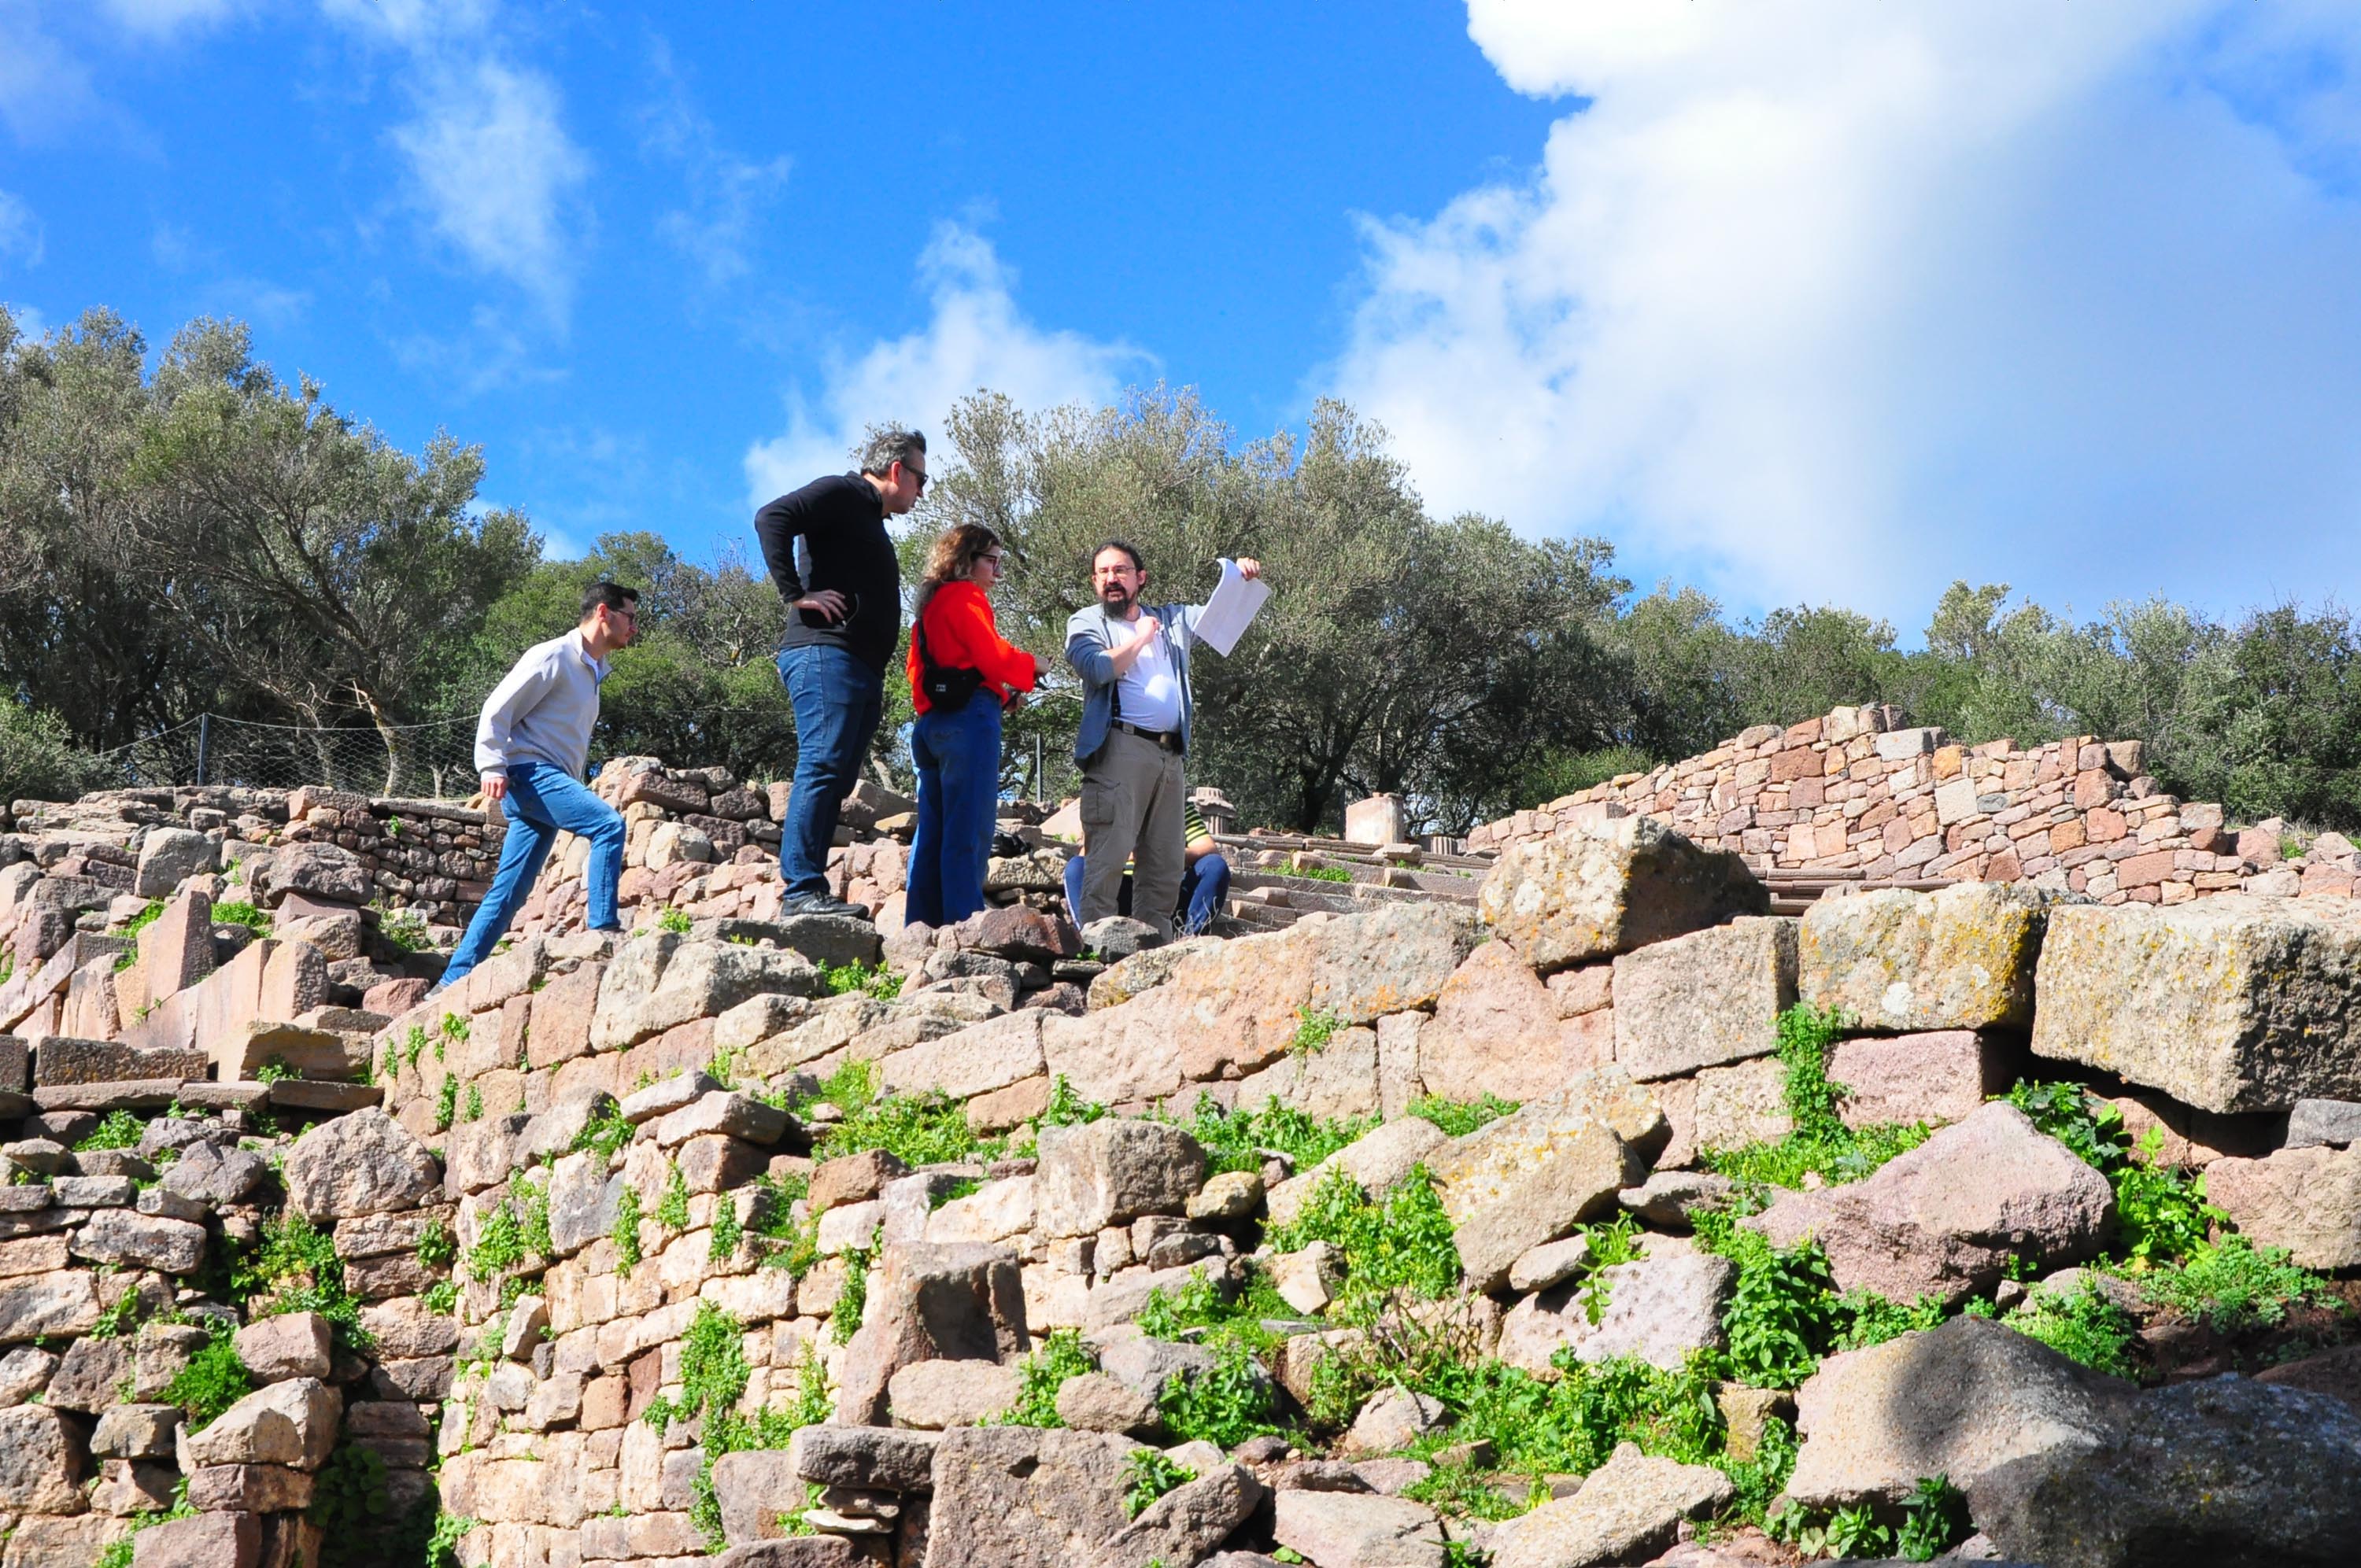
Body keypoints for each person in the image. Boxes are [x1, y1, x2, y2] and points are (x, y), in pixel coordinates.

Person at [755, 428, 927, 918]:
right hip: (824, 654)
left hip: (857, 665)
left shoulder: (866, 515)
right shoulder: (842, 491)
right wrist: (795, 594)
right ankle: (800, 891)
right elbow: (771, 517)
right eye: (921, 479)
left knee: (839, 772)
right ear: (897, 470)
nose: (921, 491)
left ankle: (809, 888)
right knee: (823, 763)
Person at [438, 582, 639, 993]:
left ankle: (450, 981)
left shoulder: (594, 670)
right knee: (608, 825)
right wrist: (491, 765)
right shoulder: (554, 655)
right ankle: (604, 930)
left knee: (510, 891)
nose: (634, 627)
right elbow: (497, 707)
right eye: (630, 617)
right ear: (604, 613)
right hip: (529, 773)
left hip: (549, 780)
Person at [1064, 540, 1261, 942]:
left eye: (1120, 570)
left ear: (1140, 578)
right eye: (1103, 573)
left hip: (1170, 757)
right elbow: (1096, 669)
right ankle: (1098, 952)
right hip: (1120, 749)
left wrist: (1239, 581)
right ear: (1094, 582)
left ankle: (1153, 955)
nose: (1111, 579)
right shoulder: (1084, 622)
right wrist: (1140, 639)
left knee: (1164, 868)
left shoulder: (1172, 619)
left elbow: (1217, 619)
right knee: (1107, 859)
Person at [904, 523, 1047, 928]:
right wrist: (1032, 665)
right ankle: (964, 925)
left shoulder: (929, 606)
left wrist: (1000, 696)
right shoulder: (967, 596)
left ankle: (920, 927)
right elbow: (993, 656)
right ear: (967, 561)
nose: (998, 571)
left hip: (931, 725)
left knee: (932, 833)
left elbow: (922, 671)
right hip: (968, 726)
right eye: (992, 561)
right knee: (969, 828)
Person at [1060, 795, 1232, 935]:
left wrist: (1162, 855)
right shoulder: (1113, 808)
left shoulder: (1180, 808)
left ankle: (1190, 938)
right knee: (1077, 867)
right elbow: (1087, 854)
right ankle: (1090, 938)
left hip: (1167, 893)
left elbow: (1208, 848)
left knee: (1214, 865)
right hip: (1118, 892)